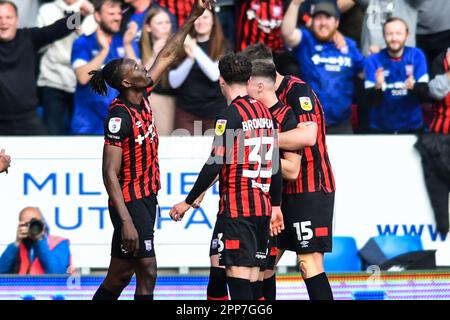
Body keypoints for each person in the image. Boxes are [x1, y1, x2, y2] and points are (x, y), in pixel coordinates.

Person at [91, 0, 215, 301]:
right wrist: (126, 221)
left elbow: (169, 53)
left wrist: (191, 17)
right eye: (134, 66)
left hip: (146, 198)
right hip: (130, 203)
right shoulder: (119, 116)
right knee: (147, 270)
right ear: (125, 82)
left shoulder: (142, 92)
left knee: (119, 276)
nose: (142, 66)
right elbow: (109, 172)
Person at [169, 52, 284, 300]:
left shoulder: (229, 116)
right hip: (262, 209)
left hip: (239, 210)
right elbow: (275, 166)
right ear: (249, 79)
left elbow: (214, 163)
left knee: (238, 276)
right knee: (253, 278)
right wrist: (275, 204)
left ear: (221, 81)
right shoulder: (266, 114)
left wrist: (188, 201)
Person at [242, 43, 336, 300]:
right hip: (278, 191)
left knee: (307, 265)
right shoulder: (259, 101)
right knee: (263, 265)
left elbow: (308, 135)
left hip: (310, 188)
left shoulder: (297, 90)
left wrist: (258, 139)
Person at [246, 59, 301, 300]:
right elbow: (225, 156)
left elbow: (293, 170)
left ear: (258, 85)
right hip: (246, 205)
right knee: (243, 271)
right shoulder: (246, 112)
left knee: (263, 271)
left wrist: (258, 155)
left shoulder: (286, 116)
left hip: (271, 206)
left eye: (246, 82)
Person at [0, 0, 94, 135]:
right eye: (0, 18)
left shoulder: (28, 37)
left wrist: (80, 16)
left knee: (50, 151)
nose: (4, 22)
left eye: (8, 17)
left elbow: (58, 28)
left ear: (17, 20)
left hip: (28, 119)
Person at [282, 0, 365, 133]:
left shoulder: (349, 46)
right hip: (310, 124)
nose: (323, 23)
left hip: (342, 124)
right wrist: (295, 4)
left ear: (337, 22)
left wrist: (379, 60)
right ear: (312, 22)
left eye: (328, 18)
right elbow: (288, 34)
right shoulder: (306, 40)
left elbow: (365, 72)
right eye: (319, 18)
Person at [71, 0, 140, 135]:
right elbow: (82, 77)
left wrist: (127, 45)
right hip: (88, 125)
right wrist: (104, 51)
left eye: (119, 13)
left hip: (121, 123)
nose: (117, 17)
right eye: (111, 13)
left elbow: (138, 80)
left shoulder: (126, 41)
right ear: (97, 16)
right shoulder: (83, 42)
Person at [37, 0, 95, 135]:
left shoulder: (91, 10)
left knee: (83, 133)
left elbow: (96, 45)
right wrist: (58, 30)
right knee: (53, 133)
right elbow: (39, 44)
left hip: (84, 82)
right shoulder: (47, 9)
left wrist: (81, 30)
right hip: (53, 79)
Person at [168, 7, 228, 134]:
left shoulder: (223, 45)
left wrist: (194, 48)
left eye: (205, 17)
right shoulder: (183, 46)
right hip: (187, 112)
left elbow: (214, 74)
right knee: (184, 153)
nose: (201, 21)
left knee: (215, 152)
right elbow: (173, 82)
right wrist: (189, 60)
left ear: (213, 21)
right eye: (198, 18)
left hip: (215, 111)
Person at [364, 17, 429, 133]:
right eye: (389, 34)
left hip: (412, 126)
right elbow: (368, 102)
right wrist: (378, 87)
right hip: (380, 128)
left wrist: (414, 86)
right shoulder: (373, 60)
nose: (394, 38)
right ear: (383, 36)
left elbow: (425, 95)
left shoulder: (417, 55)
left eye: (398, 33)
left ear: (407, 34)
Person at [415, 48, 450, 235]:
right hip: (439, 138)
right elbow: (434, 93)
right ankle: (443, 229)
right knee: (437, 189)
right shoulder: (442, 58)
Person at [0, 207, 72, 274]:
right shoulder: (17, 248)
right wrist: (17, 243)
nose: (31, 227)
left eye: (34, 223)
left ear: (43, 223)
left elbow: (56, 273)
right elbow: (1, 271)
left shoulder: (59, 243)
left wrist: (40, 240)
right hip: (23, 287)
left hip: (47, 287)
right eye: (26, 224)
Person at [140, 6, 176, 135]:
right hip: (154, 98)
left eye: (167, 22)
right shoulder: (140, 46)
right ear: (148, 27)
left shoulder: (179, 45)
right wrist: (155, 54)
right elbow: (139, 78)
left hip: (179, 100)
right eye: (160, 23)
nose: (165, 26)